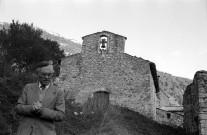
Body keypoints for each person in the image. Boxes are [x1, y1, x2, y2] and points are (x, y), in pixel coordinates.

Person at [15, 61, 65, 135]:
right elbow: (18, 108)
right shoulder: (28, 87)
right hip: (24, 132)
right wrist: (31, 108)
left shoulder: (58, 92)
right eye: (43, 74)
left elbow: (60, 115)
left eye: (49, 74)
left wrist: (42, 111)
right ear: (38, 73)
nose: (47, 77)